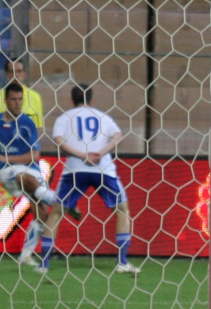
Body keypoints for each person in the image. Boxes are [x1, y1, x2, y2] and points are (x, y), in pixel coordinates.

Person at [39, 84, 138, 275]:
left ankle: (44, 264)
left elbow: (58, 140)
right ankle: (122, 262)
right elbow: (118, 136)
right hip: (103, 169)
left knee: (56, 213)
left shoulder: (64, 117)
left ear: (71, 100)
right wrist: (100, 153)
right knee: (122, 210)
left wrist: (81, 155)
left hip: (75, 169)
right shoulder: (103, 116)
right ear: (91, 100)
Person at [0, 81, 58, 265]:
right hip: (9, 172)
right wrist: (0, 157)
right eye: (14, 99)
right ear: (6, 100)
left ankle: (26, 254)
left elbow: (35, 154)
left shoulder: (27, 123)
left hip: (28, 167)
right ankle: (60, 202)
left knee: (41, 213)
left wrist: (7, 158)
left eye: (20, 99)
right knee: (24, 178)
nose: (18, 103)